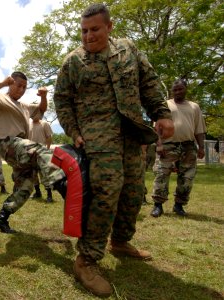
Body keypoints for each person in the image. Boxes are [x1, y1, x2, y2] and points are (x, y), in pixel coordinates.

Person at [52, 3, 174, 297]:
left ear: (109, 26)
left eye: (94, 29)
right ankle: (87, 260)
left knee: (133, 192)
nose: (88, 36)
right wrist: (74, 130)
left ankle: (120, 241)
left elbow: (149, 83)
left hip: (132, 135)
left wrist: (162, 113)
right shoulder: (73, 62)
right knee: (107, 191)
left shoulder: (128, 50)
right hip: (97, 139)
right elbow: (62, 100)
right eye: (83, 31)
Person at [0, 71, 67, 234]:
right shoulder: (0, 98)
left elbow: (41, 110)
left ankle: (1, 217)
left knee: (26, 187)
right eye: (18, 85)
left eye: (24, 87)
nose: (21, 89)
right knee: (38, 150)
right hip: (7, 143)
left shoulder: (25, 106)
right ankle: (63, 186)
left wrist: (44, 96)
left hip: (20, 150)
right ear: (11, 84)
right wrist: (1, 84)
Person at [151, 79, 206, 217]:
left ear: (186, 89)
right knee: (161, 175)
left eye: (180, 89)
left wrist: (201, 147)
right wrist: (159, 145)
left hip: (188, 146)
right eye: (175, 90)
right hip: (168, 145)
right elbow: (157, 128)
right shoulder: (165, 106)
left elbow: (199, 129)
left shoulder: (194, 107)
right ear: (171, 91)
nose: (177, 92)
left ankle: (179, 205)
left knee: (187, 177)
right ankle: (158, 206)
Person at [28, 114, 54, 202]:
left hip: (42, 152)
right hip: (31, 153)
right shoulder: (28, 125)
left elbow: (49, 137)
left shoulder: (44, 124)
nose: (32, 114)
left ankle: (49, 195)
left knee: (44, 174)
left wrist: (47, 149)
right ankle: (38, 192)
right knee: (33, 174)